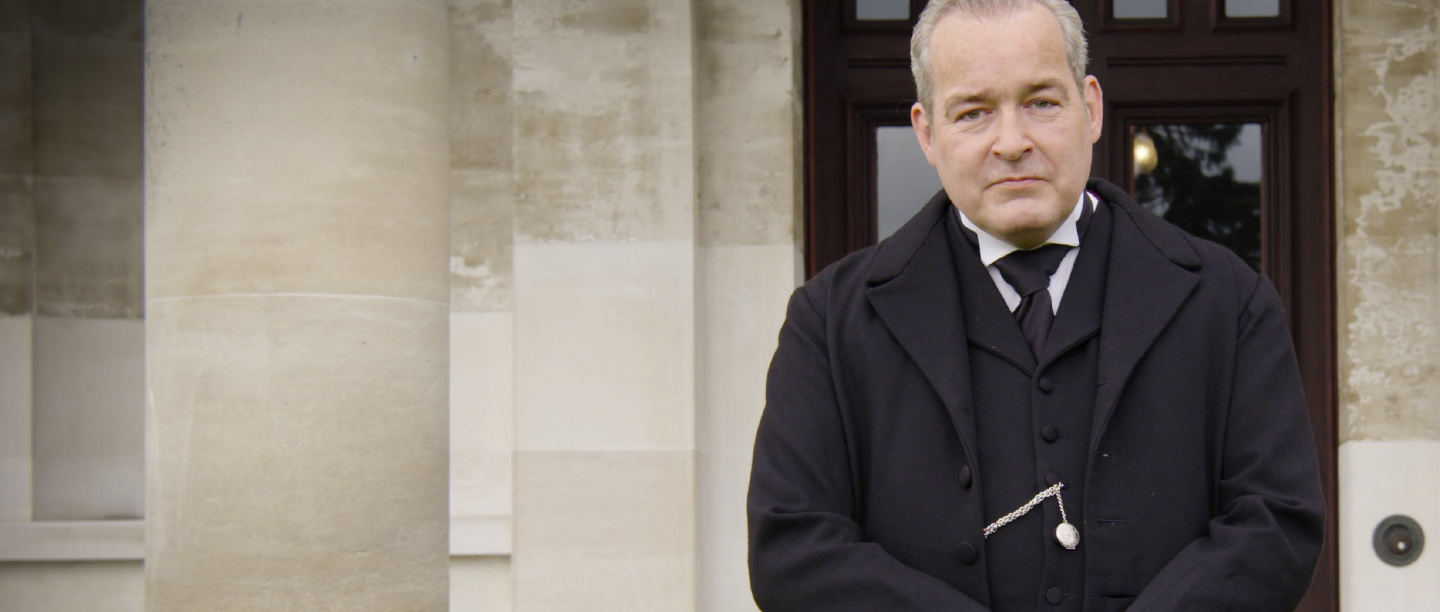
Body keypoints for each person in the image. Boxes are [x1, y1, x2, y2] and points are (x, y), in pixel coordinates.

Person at [746, 0, 1325, 610]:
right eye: (973, 112)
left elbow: (1275, 523)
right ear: (928, 133)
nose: (1012, 142)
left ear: (1091, 108)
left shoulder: (1229, 300)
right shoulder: (828, 322)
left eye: (1041, 102)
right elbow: (793, 550)